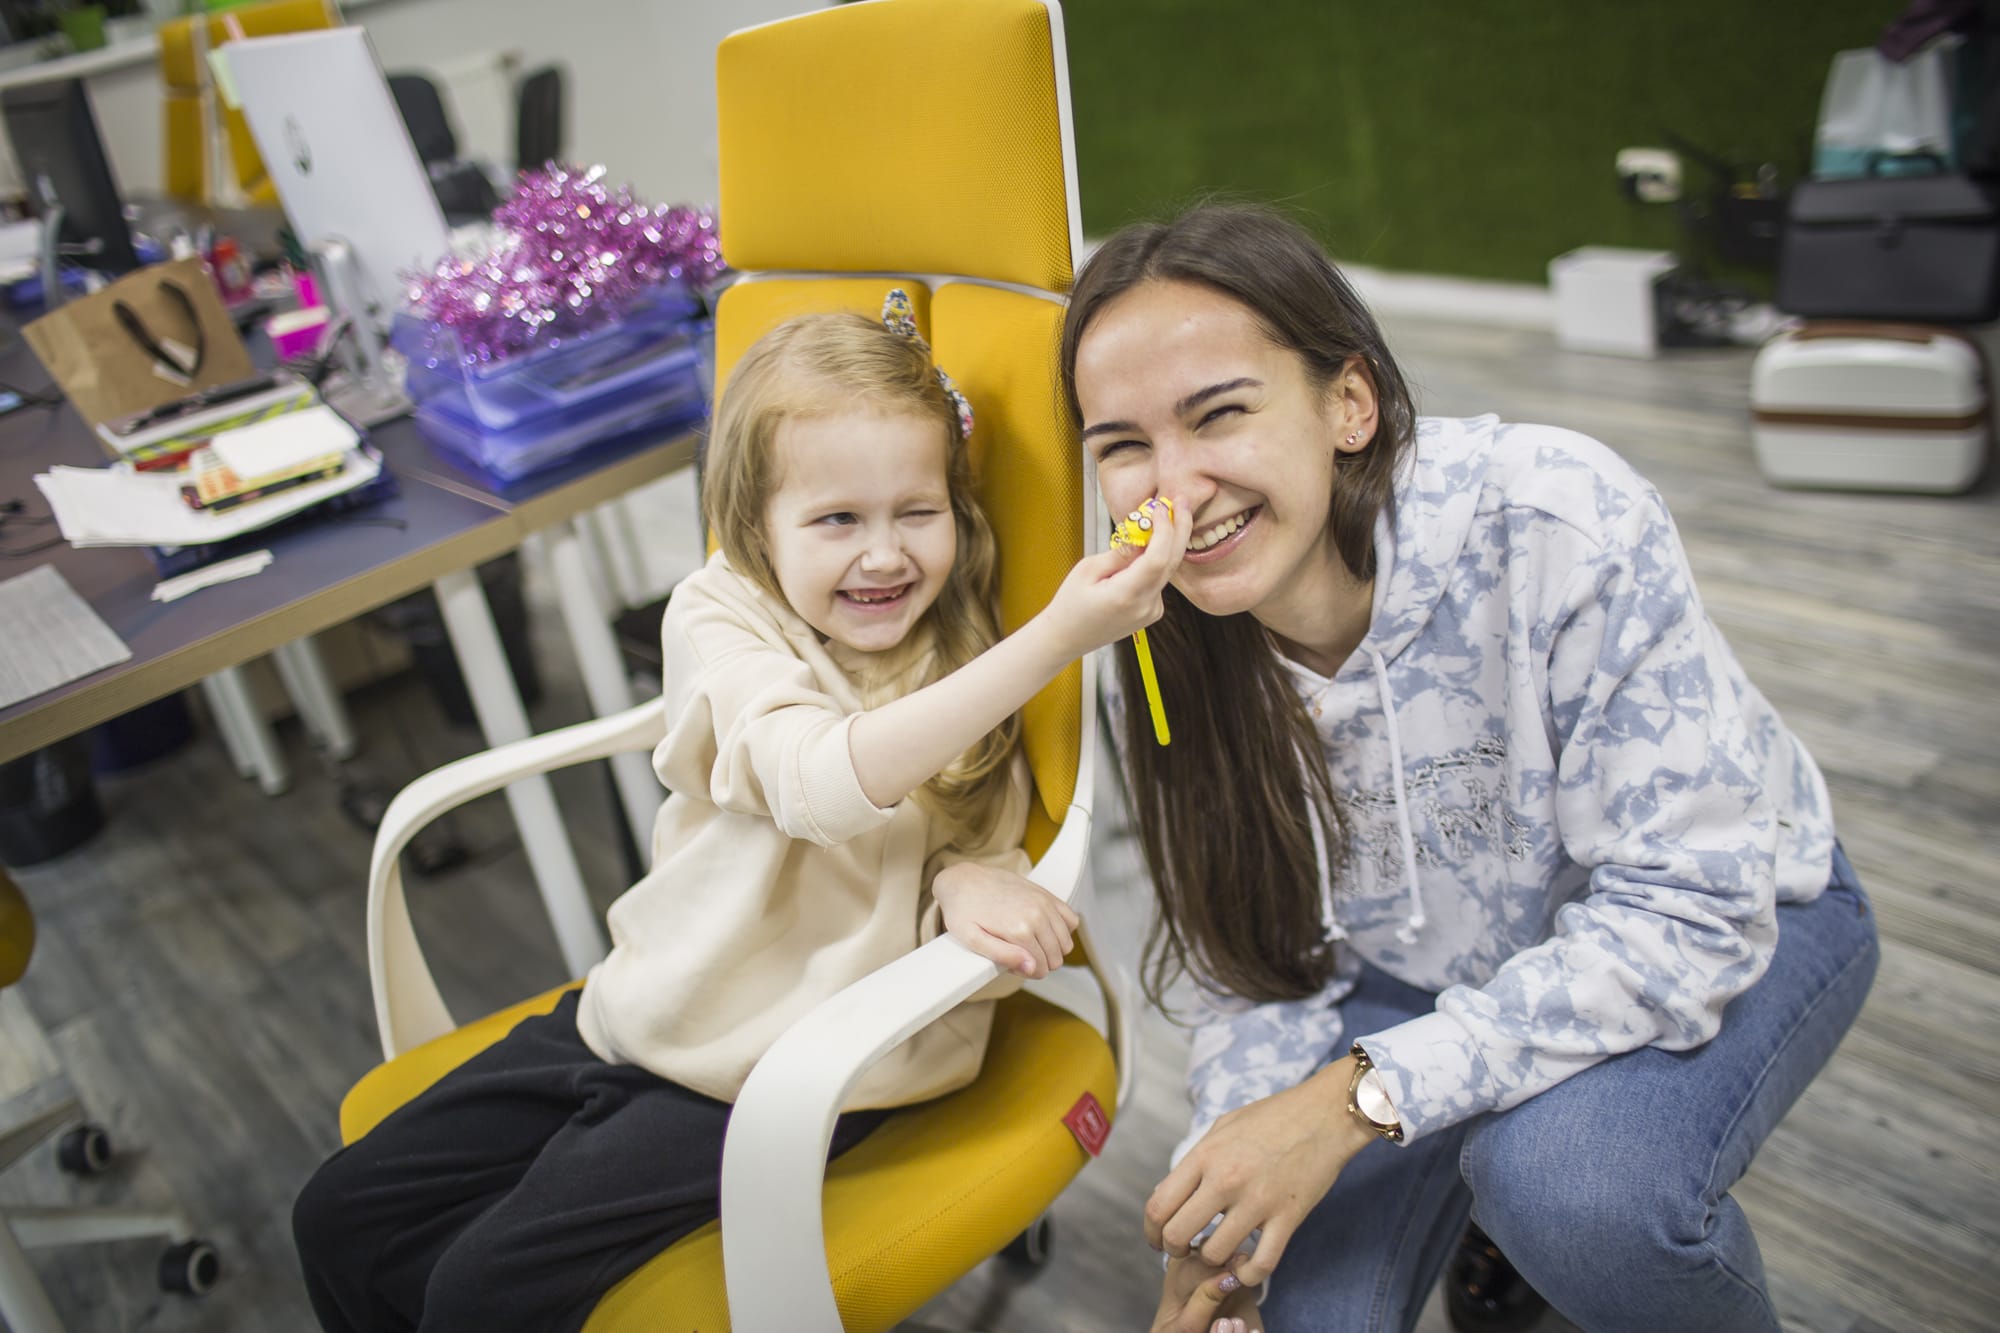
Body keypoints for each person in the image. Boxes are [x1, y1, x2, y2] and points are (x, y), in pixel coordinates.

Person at [291, 294, 1191, 1333]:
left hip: (802, 1068)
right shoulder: (719, 613)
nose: (885, 555)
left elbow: (974, 845)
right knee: (338, 1215)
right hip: (653, 1007)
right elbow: (815, 782)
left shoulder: (962, 643)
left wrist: (962, 873)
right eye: (837, 519)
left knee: (478, 1295)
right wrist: (1056, 638)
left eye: (918, 511)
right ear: (754, 525)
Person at [1068, 206, 1881, 1333]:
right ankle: (1492, 1189)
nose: (1174, 491)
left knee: (1568, 1189)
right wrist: (1222, 1215)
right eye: (1121, 445)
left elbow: (1688, 911)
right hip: (1405, 972)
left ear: (1349, 404)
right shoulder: (1154, 638)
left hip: (1724, 909)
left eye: (1220, 415)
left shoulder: (1559, 516)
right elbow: (1250, 964)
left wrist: (1355, 1100)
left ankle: (1512, 1205)